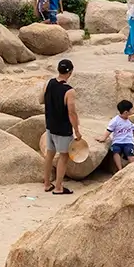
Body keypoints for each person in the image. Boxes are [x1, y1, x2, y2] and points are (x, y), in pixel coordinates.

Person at [42, 59, 79, 195]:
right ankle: (58, 187)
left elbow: (42, 99)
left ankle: (46, 184)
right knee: (64, 157)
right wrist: (77, 130)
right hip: (63, 129)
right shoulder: (69, 91)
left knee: (49, 154)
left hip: (50, 125)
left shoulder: (48, 83)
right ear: (69, 72)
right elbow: (72, 112)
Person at [106, 98, 134, 172]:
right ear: (126, 112)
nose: (132, 111)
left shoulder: (130, 120)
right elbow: (109, 130)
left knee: (129, 152)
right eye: (131, 110)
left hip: (128, 141)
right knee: (115, 151)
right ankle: (120, 169)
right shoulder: (115, 121)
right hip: (117, 141)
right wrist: (103, 138)